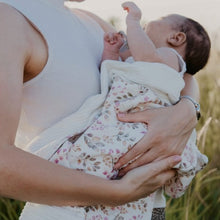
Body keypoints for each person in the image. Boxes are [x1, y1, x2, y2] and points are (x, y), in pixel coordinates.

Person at [0, 0, 206, 219]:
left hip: (147, 210)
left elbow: (180, 74)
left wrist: (187, 111)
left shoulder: (93, 22)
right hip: (74, 211)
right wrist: (117, 192)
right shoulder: (10, 20)